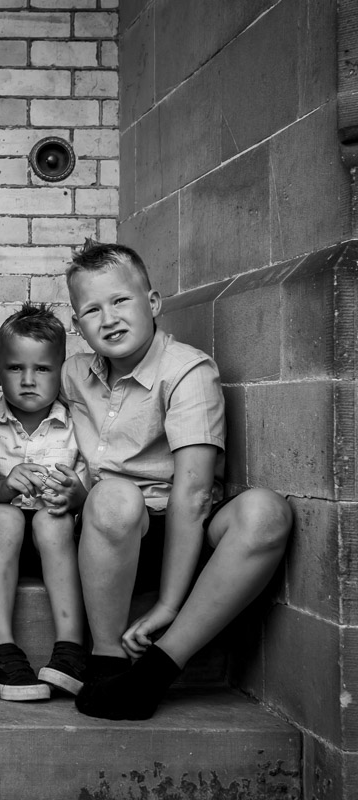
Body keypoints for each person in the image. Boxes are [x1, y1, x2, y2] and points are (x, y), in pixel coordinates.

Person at [62, 240, 292, 720]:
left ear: (153, 303)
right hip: (112, 534)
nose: (108, 319)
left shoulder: (187, 371)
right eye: (91, 310)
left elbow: (193, 494)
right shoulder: (73, 374)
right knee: (114, 498)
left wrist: (168, 604)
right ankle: (106, 659)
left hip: (183, 529)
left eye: (121, 300)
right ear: (77, 325)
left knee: (266, 513)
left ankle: (156, 671)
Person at [0, 302, 88, 702]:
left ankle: (70, 648)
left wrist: (75, 497)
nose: (29, 380)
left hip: (56, 539)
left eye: (43, 369)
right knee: (4, 517)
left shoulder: (77, 424)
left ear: (61, 373)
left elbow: (89, 493)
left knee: (51, 520)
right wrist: (4, 489)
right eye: (17, 368)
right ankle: (1, 645)